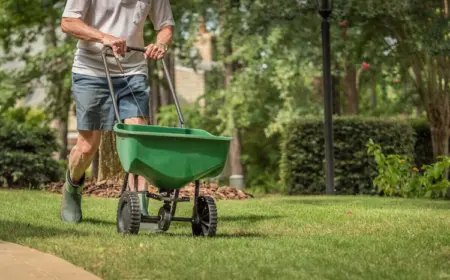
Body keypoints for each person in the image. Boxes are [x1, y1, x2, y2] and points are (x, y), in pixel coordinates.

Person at [60, 0, 174, 223]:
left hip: (132, 71)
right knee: (87, 147)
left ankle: (138, 211)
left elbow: (166, 26)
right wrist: (104, 37)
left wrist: (160, 44)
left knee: (137, 142)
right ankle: (72, 187)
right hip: (90, 70)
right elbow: (68, 22)